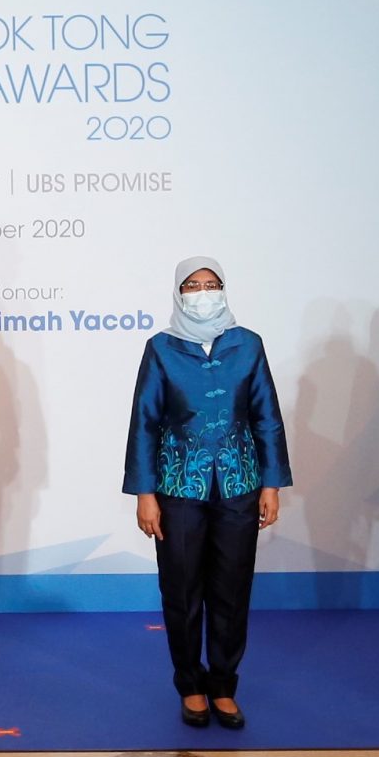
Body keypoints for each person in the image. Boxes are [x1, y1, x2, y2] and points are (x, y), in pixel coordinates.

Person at [122, 257, 291, 731]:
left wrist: (272, 483)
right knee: (181, 590)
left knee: (232, 590)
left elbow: (267, 417)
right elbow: (144, 423)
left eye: (210, 284)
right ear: (178, 293)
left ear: (224, 289)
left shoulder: (248, 345)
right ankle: (190, 684)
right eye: (192, 286)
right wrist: (144, 493)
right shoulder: (161, 348)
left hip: (240, 484)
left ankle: (223, 685)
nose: (202, 292)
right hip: (178, 488)